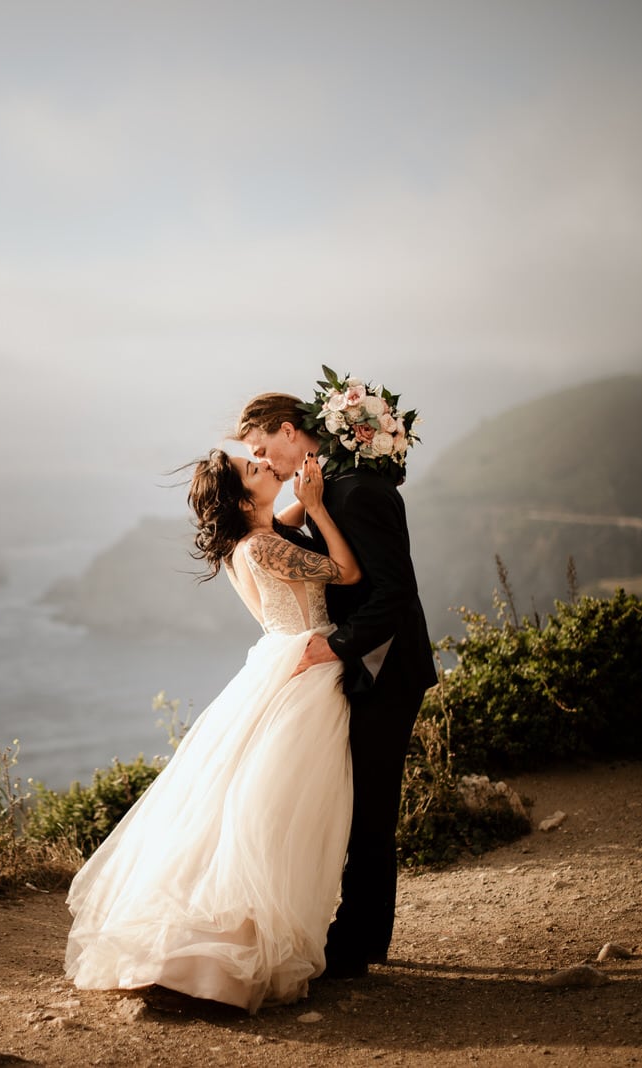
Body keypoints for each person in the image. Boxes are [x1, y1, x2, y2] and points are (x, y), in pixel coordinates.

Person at [64, 449, 362, 1012]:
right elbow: (347, 572)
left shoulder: (244, 544)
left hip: (276, 660)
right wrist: (321, 510)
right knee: (277, 813)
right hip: (306, 668)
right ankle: (223, 960)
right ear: (246, 498)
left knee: (244, 805)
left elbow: (284, 515)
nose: (269, 468)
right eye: (257, 470)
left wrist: (304, 492)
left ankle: (206, 951)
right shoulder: (267, 545)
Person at [236, 391, 439, 977]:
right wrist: (299, 508)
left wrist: (335, 644)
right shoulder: (332, 487)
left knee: (371, 810)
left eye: (261, 448)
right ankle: (356, 940)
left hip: (386, 667)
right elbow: (297, 553)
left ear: (287, 430)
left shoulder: (356, 491)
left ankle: (358, 949)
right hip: (361, 667)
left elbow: (395, 591)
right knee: (354, 806)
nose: (264, 460)